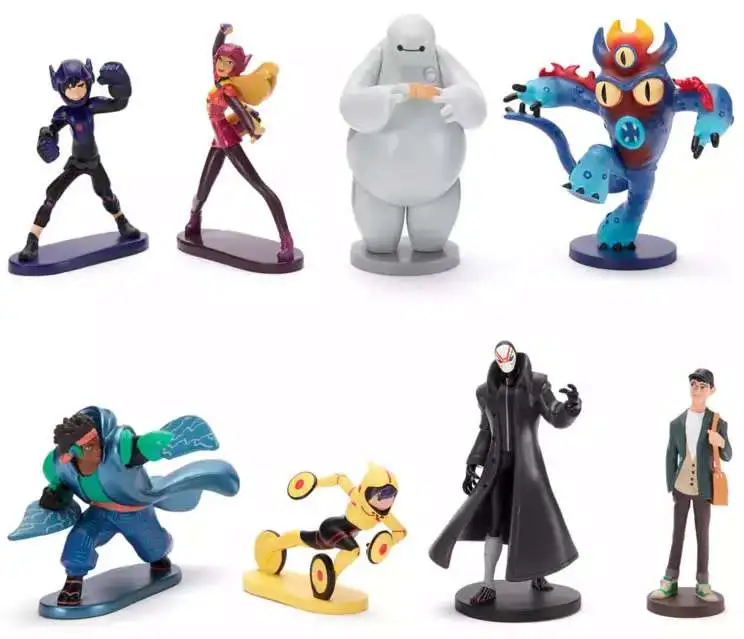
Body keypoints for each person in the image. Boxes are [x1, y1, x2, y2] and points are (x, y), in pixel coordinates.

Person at [649, 369, 732, 603]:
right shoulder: (676, 423)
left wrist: (720, 441)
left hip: (704, 488)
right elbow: (670, 455)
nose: (697, 389)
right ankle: (670, 579)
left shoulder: (717, 422)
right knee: (677, 534)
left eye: (702, 386)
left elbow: (728, 454)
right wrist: (671, 485)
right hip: (681, 487)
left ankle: (703, 582)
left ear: (711, 390)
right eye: (694, 384)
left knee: (702, 535)